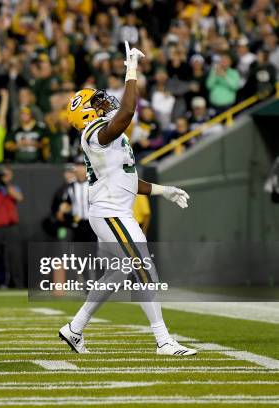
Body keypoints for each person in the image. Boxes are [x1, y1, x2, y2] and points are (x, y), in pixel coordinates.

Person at [60, 42, 197, 356]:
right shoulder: (94, 132)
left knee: (120, 271)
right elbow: (127, 112)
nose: (103, 102)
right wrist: (131, 70)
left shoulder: (107, 134)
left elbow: (128, 180)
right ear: (86, 112)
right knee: (144, 267)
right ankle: (163, 340)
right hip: (110, 213)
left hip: (114, 209)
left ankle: (74, 328)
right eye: (96, 101)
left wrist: (164, 191)